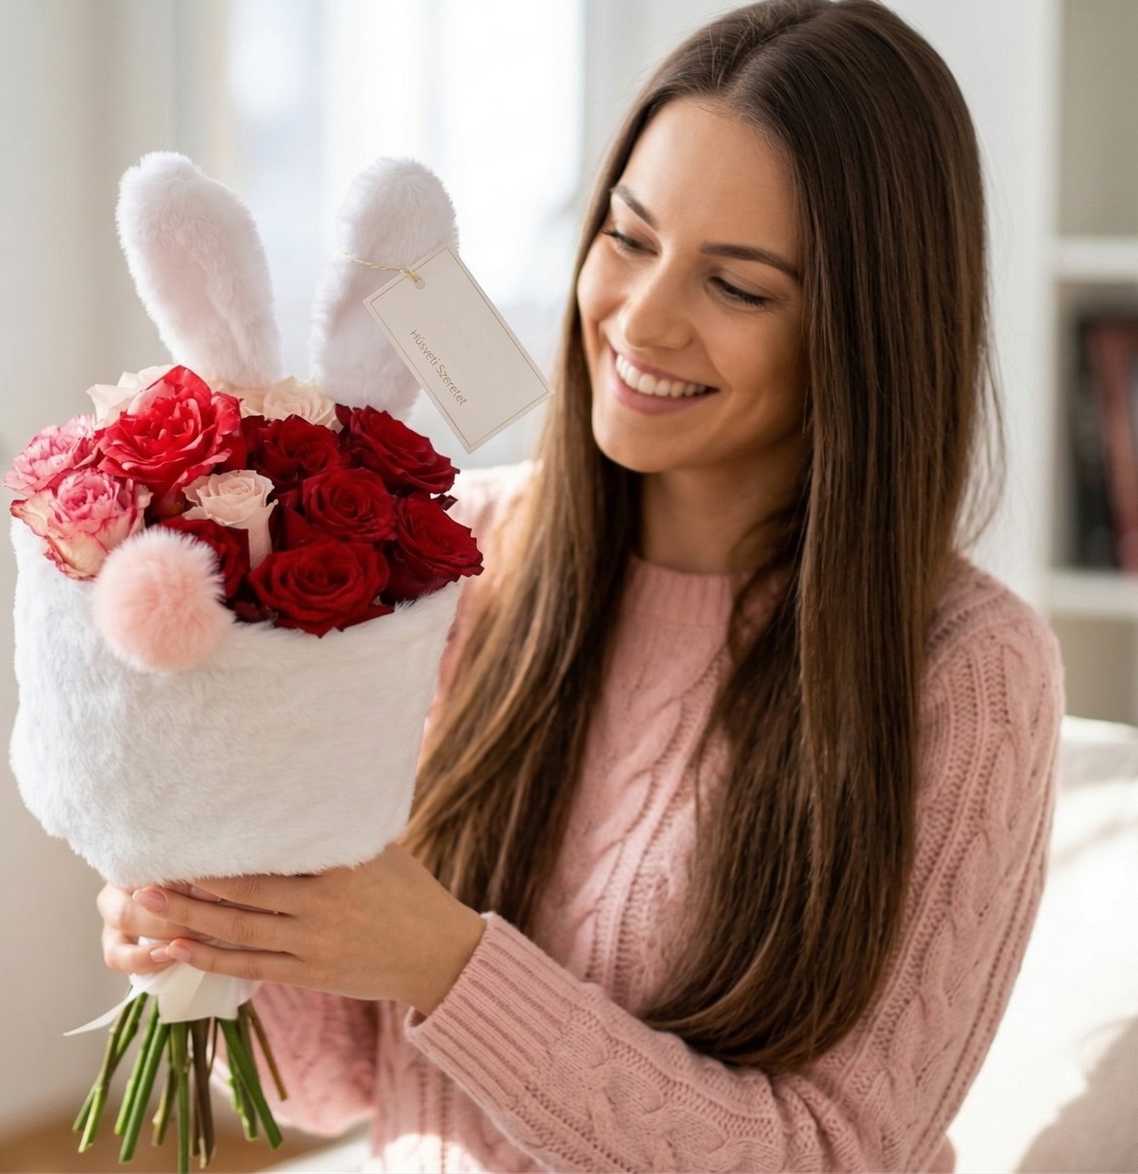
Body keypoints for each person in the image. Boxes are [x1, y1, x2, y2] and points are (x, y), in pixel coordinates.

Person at [96, 1, 1066, 1169]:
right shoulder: (453, 553)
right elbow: (336, 1077)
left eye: (739, 287)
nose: (639, 319)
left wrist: (448, 962)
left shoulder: (965, 671)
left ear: (860, 333)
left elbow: (833, 1151)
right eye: (626, 236)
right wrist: (214, 914)